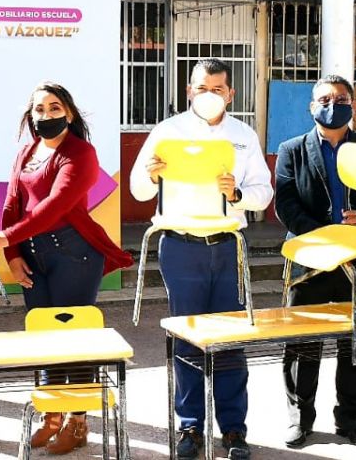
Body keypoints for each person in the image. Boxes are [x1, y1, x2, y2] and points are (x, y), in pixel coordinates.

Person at [128, 58, 273, 460]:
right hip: (180, 247)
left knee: (229, 339)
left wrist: (238, 193)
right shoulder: (166, 132)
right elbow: (138, 189)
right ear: (189, 90)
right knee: (187, 340)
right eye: (201, 88)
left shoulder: (244, 135)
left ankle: (233, 429)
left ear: (231, 93)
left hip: (228, 246)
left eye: (218, 89)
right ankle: (190, 426)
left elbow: (264, 192)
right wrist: (153, 175)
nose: (209, 95)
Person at [0, 81, 133, 455]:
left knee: (74, 339)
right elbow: (13, 204)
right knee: (43, 338)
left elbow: (56, 206)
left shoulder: (81, 153)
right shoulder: (26, 152)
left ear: (70, 113)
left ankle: (77, 420)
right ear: (30, 116)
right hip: (32, 256)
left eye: (54, 108)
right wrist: (13, 253)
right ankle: (51, 414)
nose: (46, 115)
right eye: (39, 109)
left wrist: (5, 236)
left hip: (74, 254)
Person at [273, 75, 356, 448]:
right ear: (311, 106)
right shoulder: (291, 150)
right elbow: (286, 205)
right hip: (310, 260)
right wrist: (325, 237)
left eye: (340, 98)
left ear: (353, 105)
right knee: (302, 344)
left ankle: (351, 421)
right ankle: (300, 418)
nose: (331, 104)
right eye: (324, 98)